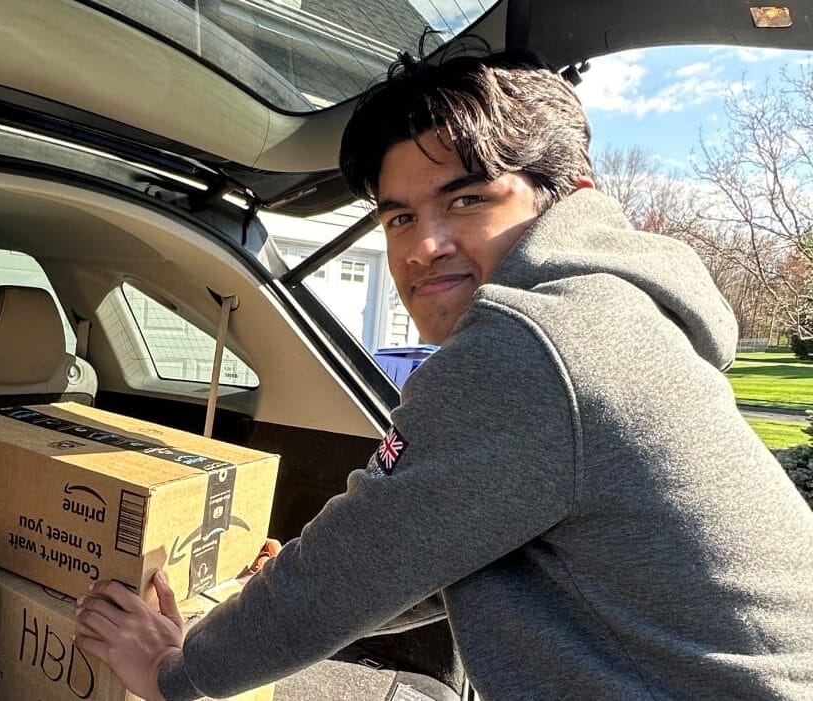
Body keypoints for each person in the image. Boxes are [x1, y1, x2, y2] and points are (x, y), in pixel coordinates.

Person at [74, 50, 813, 700]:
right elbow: (420, 554)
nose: (423, 245)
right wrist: (238, 619)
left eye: (467, 199)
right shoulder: (611, 311)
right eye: (398, 218)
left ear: (569, 193)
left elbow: (350, 568)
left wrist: (173, 672)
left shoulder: (534, 341)